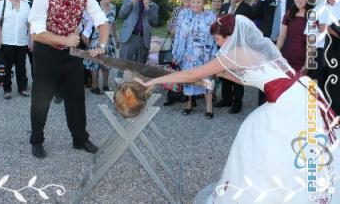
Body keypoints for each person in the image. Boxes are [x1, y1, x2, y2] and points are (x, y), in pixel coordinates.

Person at [134, 14, 340, 203]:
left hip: (289, 102)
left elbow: (191, 75)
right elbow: (251, 78)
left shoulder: (234, 52)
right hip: (302, 91)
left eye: (217, 40)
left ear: (229, 36)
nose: (217, 45)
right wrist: (219, 74)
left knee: (267, 142)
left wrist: (155, 81)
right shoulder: (259, 47)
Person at [28, 0, 109, 158]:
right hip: (46, 53)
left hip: (72, 54)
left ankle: (79, 139)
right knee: (41, 98)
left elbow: (101, 20)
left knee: (76, 98)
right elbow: (36, 32)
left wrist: (102, 45)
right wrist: (65, 40)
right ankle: (36, 140)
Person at [172, 0, 217, 118]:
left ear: (204, 3)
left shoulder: (211, 16)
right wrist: (176, 53)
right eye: (193, 2)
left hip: (205, 55)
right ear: (189, 2)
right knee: (188, 79)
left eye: (198, 2)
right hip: (188, 55)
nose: (195, 4)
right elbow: (179, 36)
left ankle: (209, 108)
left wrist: (214, 55)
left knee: (207, 80)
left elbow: (214, 37)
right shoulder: (184, 14)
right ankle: (188, 105)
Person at [252, 0, 294, 105]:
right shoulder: (266, 1)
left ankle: (280, 102)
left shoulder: (292, 3)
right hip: (268, 43)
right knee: (265, 73)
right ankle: (263, 104)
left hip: (286, 43)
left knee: (283, 73)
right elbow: (255, 14)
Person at [305, 0, 340, 115]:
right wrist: (308, 61)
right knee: (317, 94)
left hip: (337, 56)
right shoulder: (317, 9)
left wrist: (329, 29)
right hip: (318, 58)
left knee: (336, 94)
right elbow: (310, 39)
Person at [214, 0, 252, 114]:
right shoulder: (225, 6)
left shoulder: (247, 9)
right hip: (224, 47)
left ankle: (237, 103)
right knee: (225, 75)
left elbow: (246, 30)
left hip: (238, 48)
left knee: (237, 76)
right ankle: (226, 99)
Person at [0, 0, 31, 99]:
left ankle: (22, 89)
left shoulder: (27, 4)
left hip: (22, 41)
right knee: (7, 66)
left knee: (21, 66)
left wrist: (31, 40)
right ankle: (7, 90)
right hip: (6, 41)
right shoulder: (2, 4)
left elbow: (30, 24)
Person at [83, 0, 118, 94]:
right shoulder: (96, 8)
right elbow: (88, 22)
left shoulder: (114, 7)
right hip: (97, 39)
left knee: (106, 63)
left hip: (110, 40)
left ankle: (106, 85)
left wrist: (117, 38)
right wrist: (86, 36)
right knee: (95, 63)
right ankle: (94, 85)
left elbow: (114, 24)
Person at [118, 0, 159, 69]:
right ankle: (120, 82)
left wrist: (148, 8)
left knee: (139, 68)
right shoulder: (128, 0)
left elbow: (155, 22)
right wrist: (132, 2)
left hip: (143, 39)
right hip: (129, 37)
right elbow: (121, 15)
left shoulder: (154, 5)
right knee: (123, 66)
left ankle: (137, 83)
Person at [163, 0, 193, 106]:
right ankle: (171, 96)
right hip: (176, 45)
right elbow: (169, 27)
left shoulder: (195, 10)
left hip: (189, 48)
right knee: (173, 71)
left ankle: (189, 99)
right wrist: (176, 30)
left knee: (188, 73)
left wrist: (180, 30)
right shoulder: (177, 10)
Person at [276, 0, 314, 73]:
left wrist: (307, 64)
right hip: (286, 56)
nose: (298, 0)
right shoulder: (290, 13)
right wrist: (276, 53)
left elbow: (311, 43)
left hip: (302, 59)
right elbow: (282, 36)